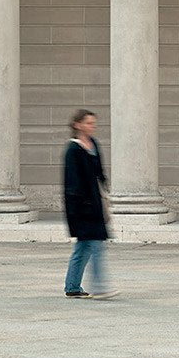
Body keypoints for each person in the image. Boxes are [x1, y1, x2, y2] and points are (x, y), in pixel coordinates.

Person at [62, 109, 118, 300]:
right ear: (77, 125)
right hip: (82, 207)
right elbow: (71, 183)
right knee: (95, 246)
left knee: (83, 247)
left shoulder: (92, 144)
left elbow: (99, 173)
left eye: (93, 123)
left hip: (94, 204)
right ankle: (100, 287)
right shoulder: (73, 150)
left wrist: (105, 192)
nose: (92, 126)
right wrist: (79, 207)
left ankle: (72, 286)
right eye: (88, 123)